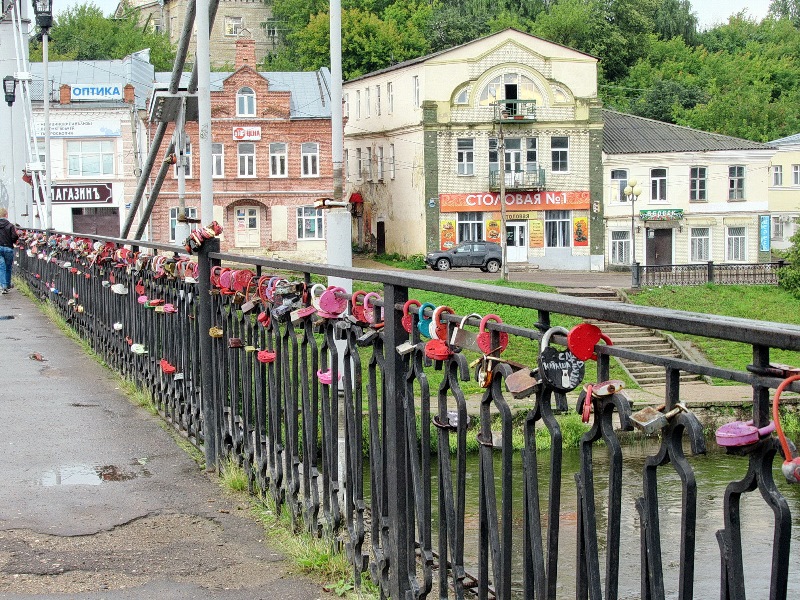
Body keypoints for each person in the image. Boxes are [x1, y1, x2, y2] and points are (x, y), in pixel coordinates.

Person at [0, 207, 19, 294]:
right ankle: (7, 285)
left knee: (1, 267)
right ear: (6, 215)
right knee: (8, 267)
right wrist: (12, 241)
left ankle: (3, 286)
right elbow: (14, 236)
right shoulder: (10, 225)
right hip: (8, 248)